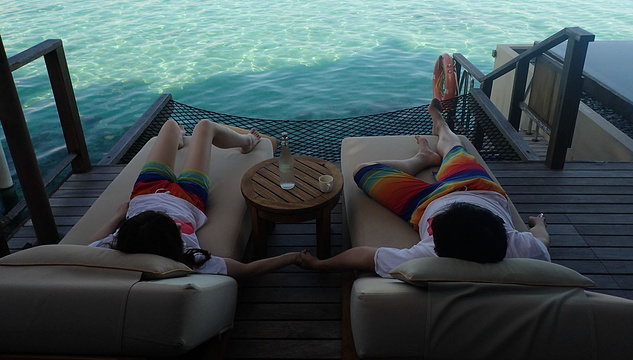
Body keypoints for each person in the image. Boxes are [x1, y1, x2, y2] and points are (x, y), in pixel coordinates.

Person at [297, 99, 550, 278]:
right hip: (478, 188)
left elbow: (364, 256)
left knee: (364, 170)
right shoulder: (519, 245)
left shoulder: (428, 256)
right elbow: (542, 240)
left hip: (424, 203)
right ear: (502, 229)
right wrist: (538, 223)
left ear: (436, 242)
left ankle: (421, 159)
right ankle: (440, 125)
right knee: (454, 148)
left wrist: (320, 265)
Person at [90, 118, 300, 279]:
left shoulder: (119, 243)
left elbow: (89, 246)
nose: (178, 226)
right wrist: (292, 257)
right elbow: (246, 270)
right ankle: (247, 142)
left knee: (170, 125)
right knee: (204, 126)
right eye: (176, 228)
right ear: (173, 244)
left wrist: (118, 216)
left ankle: (178, 138)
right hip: (189, 197)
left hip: (146, 190)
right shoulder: (191, 258)